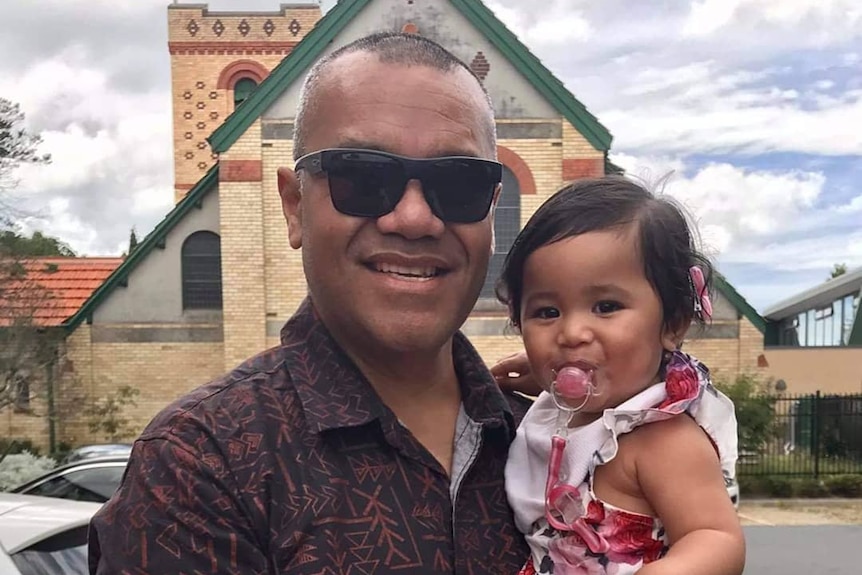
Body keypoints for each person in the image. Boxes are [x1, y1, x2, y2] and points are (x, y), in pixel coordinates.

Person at [88, 32, 531, 574]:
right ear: (295, 206)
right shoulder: (200, 465)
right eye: (363, 176)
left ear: (490, 211)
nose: (414, 219)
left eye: (458, 183)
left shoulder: (552, 431)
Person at [494, 177, 745, 575]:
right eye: (546, 312)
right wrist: (537, 383)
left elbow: (716, 538)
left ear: (672, 323)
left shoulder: (663, 439)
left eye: (606, 306)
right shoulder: (556, 415)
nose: (572, 333)